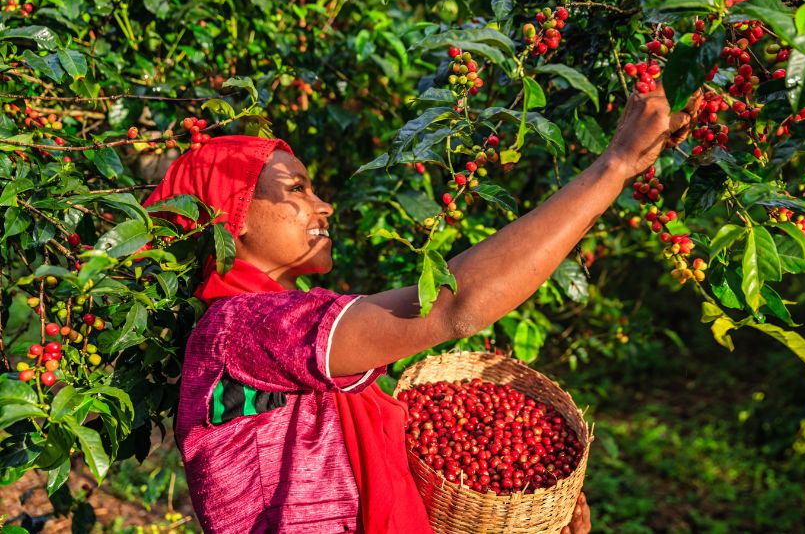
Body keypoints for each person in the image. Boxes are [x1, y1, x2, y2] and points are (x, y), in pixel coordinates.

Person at [143, 82, 698, 533]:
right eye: (298, 189)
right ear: (229, 218)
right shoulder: (238, 328)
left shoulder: (279, 326)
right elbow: (458, 305)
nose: (324, 204)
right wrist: (615, 166)